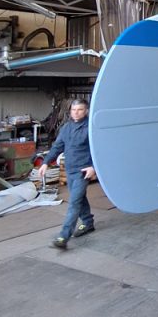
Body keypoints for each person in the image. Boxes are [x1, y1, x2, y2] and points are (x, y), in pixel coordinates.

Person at [38, 98, 97, 249]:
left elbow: (99, 149)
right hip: (70, 169)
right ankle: (88, 222)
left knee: (74, 202)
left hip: (83, 170)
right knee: (79, 198)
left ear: (86, 111)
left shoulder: (91, 128)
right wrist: (45, 162)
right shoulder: (67, 127)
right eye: (73, 110)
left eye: (80, 110)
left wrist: (93, 167)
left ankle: (63, 237)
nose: (76, 113)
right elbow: (58, 146)